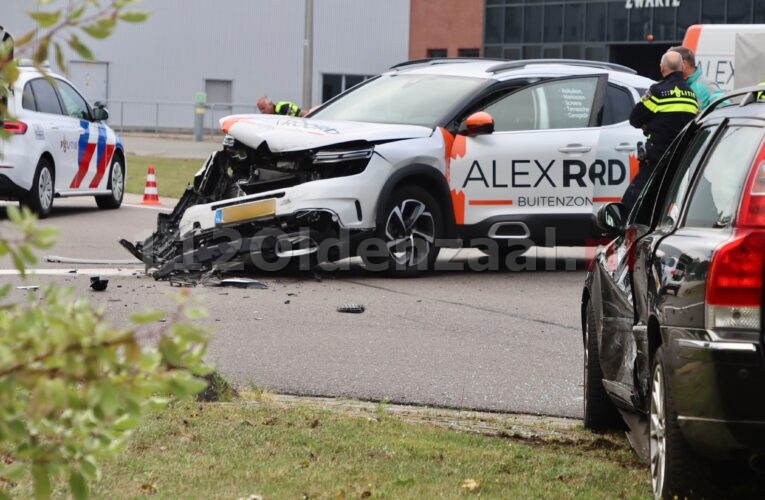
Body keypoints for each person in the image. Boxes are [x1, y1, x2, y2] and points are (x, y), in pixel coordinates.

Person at [621, 50, 698, 212]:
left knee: (632, 201)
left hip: (657, 156)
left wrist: (648, 126)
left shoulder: (657, 92)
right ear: (681, 68)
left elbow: (635, 118)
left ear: (662, 68)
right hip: (681, 158)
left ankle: (624, 231)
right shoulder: (691, 95)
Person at [669, 45, 726, 111]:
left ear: (683, 64)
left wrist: (700, 117)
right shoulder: (671, 85)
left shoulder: (706, 87)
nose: (664, 69)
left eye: (670, 65)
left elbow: (724, 109)